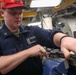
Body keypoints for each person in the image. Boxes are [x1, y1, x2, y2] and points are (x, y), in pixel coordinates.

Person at [0, 0, 76, 75]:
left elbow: (50, 35)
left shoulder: (32, 31)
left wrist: (63, 39)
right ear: (2, 13)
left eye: (20, 12)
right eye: (13, 13)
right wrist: (28, 52)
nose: (18, 16)